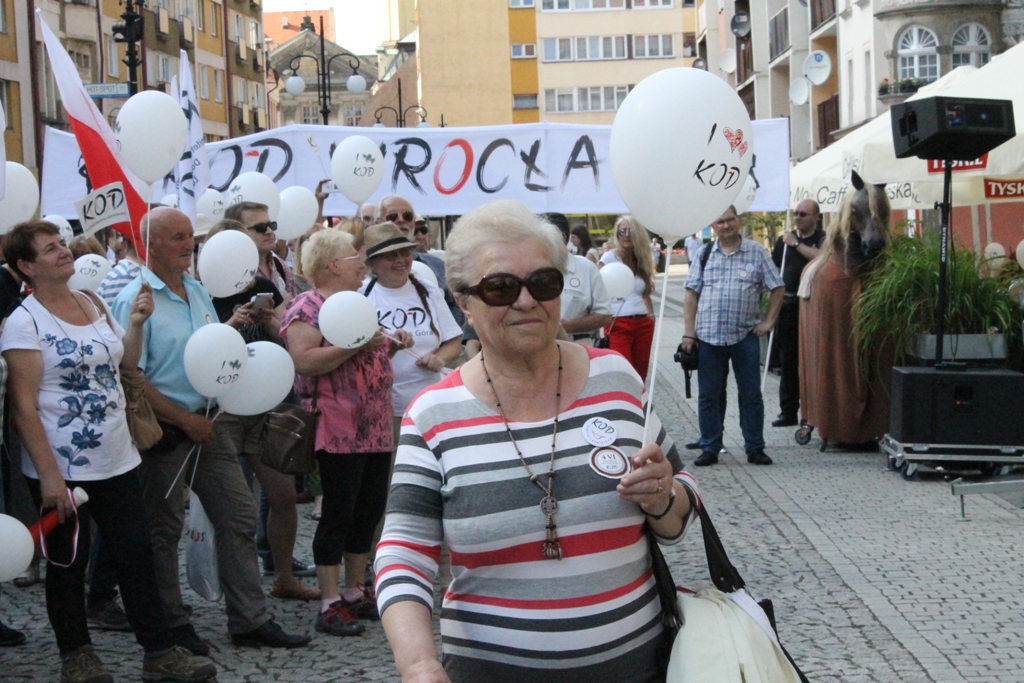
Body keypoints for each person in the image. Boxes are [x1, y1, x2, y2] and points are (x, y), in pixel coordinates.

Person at [374, 199, 697, 682]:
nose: (526, 301)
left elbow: (680, 505)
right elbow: (404, 552)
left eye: (543, 283)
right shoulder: (433, 414)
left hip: (637, 669)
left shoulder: (616, 379)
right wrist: (419, 664)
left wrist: (664, 497)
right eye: (500, 288)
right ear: (463, 302)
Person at [1, 219, 216, 683]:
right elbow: (24, 405)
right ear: (25, 266)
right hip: (63, 464)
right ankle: (77, 655)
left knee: (135, 553)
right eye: (50, 249)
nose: (62, 252)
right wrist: (50, 476)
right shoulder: (24, 321)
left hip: (117, 456)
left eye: (62, 244)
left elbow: (127, 362)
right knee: (67, 564)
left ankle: (158, 651)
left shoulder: (92, 300)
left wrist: (136, 323)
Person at [111, 207, 310, 653]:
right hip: (165, 431)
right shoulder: (134, 298)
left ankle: (250, 620)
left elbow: (207, 348)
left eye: (190, 237)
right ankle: (172, 625)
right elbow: (133, 378)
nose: (189, 245)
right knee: (163, 531)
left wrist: (230, 331)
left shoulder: (197, 289)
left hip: (209, 422)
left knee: (238, 516)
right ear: (152, 244)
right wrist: (184, 421)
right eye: (178, 237)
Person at [280, 229, 413, 637]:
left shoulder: (356, 303)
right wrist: (357, 346)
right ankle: (329, 599)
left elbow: (364, 352)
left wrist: (388, 347)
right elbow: (303, 361)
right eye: (354, 258)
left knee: (368, 509)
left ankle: (355, 590)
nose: (361, 263)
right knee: (338, 512)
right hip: (338, 428)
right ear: (332, 265)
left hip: (373, 425)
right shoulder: (308, 306)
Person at [205, 219, 319, 602]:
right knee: (234, 507)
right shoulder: (201, 291)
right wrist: (231, 324)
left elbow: (286, 341)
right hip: (220, 410)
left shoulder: (263, 286)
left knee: (283, 496)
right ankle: (237, 589)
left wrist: (270, 321)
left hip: (264, 400)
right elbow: (203, 350)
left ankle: (283, 575)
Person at [681, 206, 784, 467]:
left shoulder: (757, 252)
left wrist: (769, 322)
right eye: (719, 222)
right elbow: (691, 294)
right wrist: (688, 333)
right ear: (713, 225)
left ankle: (755, 447)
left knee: (750, 394)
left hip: (745, 337)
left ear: (738, 221)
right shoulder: (704, 254)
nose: (725, 226)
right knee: (709, 396)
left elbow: (778, 286)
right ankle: (710, 447)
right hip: (708, 338)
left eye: (729, 220)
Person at [770, 200, 823, 427]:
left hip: (812, 306)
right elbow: (772, 269)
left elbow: (823, 258)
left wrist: (796, 244)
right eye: (796, 213)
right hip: (789, 305)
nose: (799, 217)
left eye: (804, 214)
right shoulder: (783, 241)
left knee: (813, 360)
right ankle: (788, 410)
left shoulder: (822, 238)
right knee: (788, 361)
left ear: (816, 217)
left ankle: (816, 411)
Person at [378, 195, 464, 328]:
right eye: (392, 216)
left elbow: (456, 303)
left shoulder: (437, 264)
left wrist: (445, 333)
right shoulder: (371, 268)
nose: (401, 220)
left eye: (407, 216)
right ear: (379, 222)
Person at [598, 215, 656, 381]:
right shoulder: (609, 258)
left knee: (640, 375)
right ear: (617, 234)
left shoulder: (642, 259)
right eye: (622, 231)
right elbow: (597, 289)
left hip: (643, 323)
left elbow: (644, 292)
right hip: (618, 324)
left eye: (631, 231)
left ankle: (639, 406)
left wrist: (652, 317)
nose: (626, 235)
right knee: (624, 374)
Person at [545, 213, 613, 345]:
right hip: (540, 350)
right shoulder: (530, 269)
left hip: (580, 347)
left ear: (564, 237)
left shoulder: (586, 268)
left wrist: (567, 326)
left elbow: (605, 315)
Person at [224, 201, 299, 301]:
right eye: (260, 228)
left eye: (271, 225)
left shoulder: (280, 265)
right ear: (238, 231)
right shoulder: (230, 272)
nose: (269, 231)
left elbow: (292, 311)